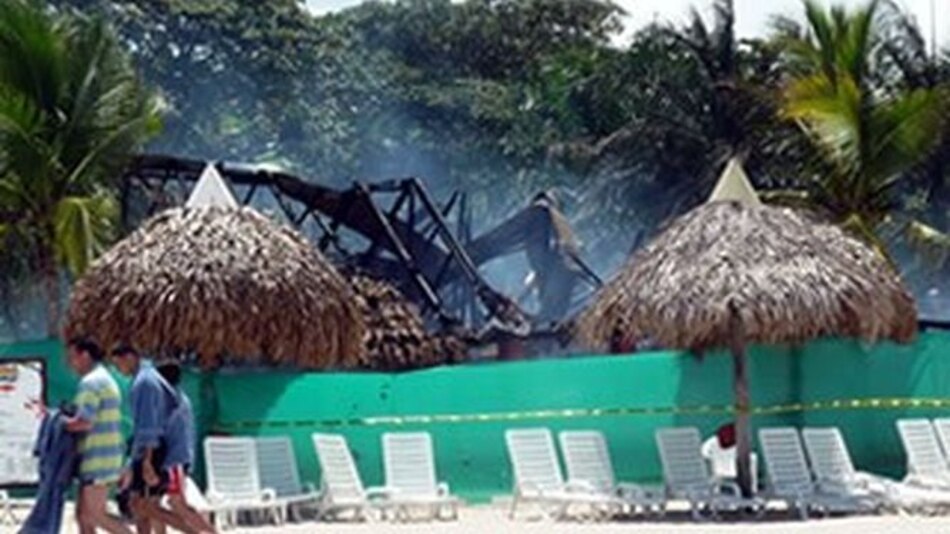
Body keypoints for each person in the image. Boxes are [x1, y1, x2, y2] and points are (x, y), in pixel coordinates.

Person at [109, 346, 185, 534]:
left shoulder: (145, 382)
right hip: (152, 447)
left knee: (145, 505)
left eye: (119, 364)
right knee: (142, 505)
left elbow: (149, 425)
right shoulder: (148, 378)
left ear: (129, 357)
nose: (119, 370)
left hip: (151, 449)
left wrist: (147, 461)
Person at [64, 338, 131, 534]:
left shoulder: (91, 383)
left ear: (85, 355)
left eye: (72, 357)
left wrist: (57, 424)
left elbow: (85, 421)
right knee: (83, 516)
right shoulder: (105, 379)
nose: (70, 363)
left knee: (96, 515)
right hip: (105, 456)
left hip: (98, 459)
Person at [155, 361, 216, 534]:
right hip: (176, 459)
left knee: (175, 504)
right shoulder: (180, 398)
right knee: (155, 503)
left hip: (172, 460)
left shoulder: (169, 401)